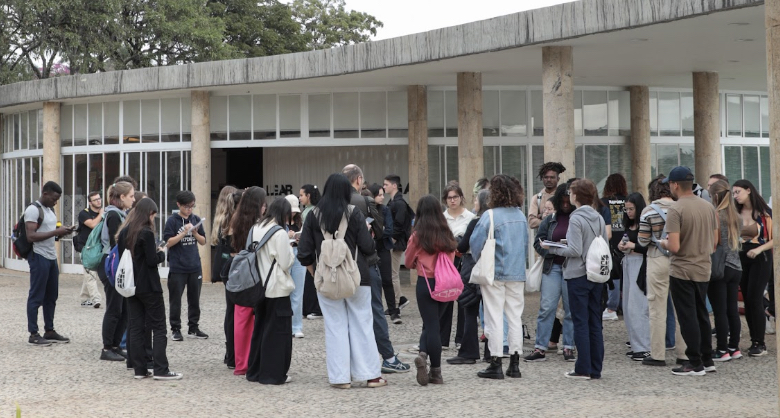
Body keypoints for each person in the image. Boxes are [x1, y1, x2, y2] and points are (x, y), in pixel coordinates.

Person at [297, 173, 386, 389]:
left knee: (335, 327)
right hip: (357, 278)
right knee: (362, 324)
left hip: (327, 280)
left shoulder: (312, 216)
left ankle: (340, 378)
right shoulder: (354, 214)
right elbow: (368, 247)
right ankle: (371, 375)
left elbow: (304, 252)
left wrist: (315, 272)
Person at [342, 165, 410, 374]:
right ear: (359, 179)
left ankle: (351, 362)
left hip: (340, 267)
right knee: (375, 311)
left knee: (347, 317)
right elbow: (378, 235)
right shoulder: (364, 202)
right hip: (366, 264)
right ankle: (388, 357)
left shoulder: (332, 205)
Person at [542, 178, 607, 380]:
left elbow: (575, 249)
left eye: (571, 192)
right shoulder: (598, 217)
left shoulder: (576, 218)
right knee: (594, 322)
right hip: (596, 274)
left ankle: (582, 368)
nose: (569, 195)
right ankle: (595, 368)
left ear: (576, 196)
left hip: (578, 274)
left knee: (580, 321)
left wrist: (551, 247)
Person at [659, 166, 718, 376]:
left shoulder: (676, 209)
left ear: (675, 185)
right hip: (703, 267)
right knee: (702, 313)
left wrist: (663, 243)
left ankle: (694, 362)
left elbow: (674, 246)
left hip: (682, 269)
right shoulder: (708, 206)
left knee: (687, 316)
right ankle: (707, 358)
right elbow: (715, 241)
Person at [116, 198, 182, 380]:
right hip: (149, 286)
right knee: (159, 327)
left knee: (136, 327)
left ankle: (140, 369)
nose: (153, 218)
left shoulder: (125, 232)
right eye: (153, 214)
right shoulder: (146, 232)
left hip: (131, 285)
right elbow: (152, 261)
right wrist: (161, 252)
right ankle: (161, 369)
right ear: (148, 214)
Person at [471, 174, 528, 380]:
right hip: (517, 272)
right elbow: (524, 245)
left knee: (493, 316)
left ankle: (495, 362)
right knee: (514, 317)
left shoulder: (491, 215)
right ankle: (515, 363)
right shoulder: (521, 216)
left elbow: (475, 243)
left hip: (495, 272)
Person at [406, 194, 458, 385]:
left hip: (424, 283)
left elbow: (408, 260)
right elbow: (452, 258)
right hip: (445, 284)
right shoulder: (447, 233)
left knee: (430, 324)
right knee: (434, 325)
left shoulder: (417, 236)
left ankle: (423, 354)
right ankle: (436, 372)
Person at [637, 175, 687, 367]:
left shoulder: (648, 210)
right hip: (679, 259)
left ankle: (658, 354)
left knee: (656, 308)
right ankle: (684, 353)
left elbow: (642, 241)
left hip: (657, 259)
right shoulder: (681, 207)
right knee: (681, 307)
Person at [245, 198, 295, 385]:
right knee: (277, 334)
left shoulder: (255, 228)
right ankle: (273, 374)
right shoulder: (279, 232)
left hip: (258, 286)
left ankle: (255, 371)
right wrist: (290, 247)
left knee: (260, 330)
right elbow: (286, 262)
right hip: (276, 287)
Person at [526, 183, 576, 363]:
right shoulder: (550, 220)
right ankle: (540, 347)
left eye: (567, 201)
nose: (564, 204)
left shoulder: (577, 218)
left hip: (572, 267)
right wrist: (550, 250)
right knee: (547, 307)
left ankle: (569, 347)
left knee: (571, 309)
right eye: (561, 201)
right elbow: (537, 242)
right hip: (553, 266)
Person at [24, 181, 74, 346]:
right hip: (39, 257)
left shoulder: (49, 210)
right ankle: (33, 334)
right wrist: (55, 232)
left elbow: (49, 233)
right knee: (36, 296)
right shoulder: (33, 210)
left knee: (51, 296)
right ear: (45, 194)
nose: (56, 202)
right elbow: (31, 236)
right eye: (54, 198)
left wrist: (63, 232)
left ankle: (50, 330)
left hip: (51, 258)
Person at [447, 189, 490, 365]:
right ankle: (491, 351)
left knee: (469, 310)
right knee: (491, 312)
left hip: (473, 269)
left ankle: (469, 352)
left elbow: (464, 246)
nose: (474, 203)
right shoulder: (497, 220)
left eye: (476, 201)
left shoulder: (476, 222)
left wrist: (458, 241)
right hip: (492, 271)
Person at [228, 187, 267, 376]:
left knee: (240, 319)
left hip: (240, 274)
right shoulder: (260, 225)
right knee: (257, 318)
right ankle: (254, 359)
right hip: (258, 274)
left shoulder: (237, 221)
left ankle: (240, 362)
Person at [732, 179, 774, 357]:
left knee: (755, 297)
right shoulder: (736, 212)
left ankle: (760, 342)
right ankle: (754, 340)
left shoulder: (764, 213)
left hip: (760, 257)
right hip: (741, 257)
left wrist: (758, 249)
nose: (736, 196)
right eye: (733, 193)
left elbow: (774, 238)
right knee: (748, 300)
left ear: (749, 190)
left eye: (738, 192)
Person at [98, 181, 135, 360]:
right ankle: (107, 348)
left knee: (123, 309)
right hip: (112, 265)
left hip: (118, 264)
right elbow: (115, 245)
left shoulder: (120, 214)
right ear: (121, 197)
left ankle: (116, 344)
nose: (133, 199)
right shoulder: (113, 215)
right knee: (114, 308)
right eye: (131, 196)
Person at [164, 190, 208, 341]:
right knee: (175, 299)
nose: (189, 209)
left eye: (192, 206)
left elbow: (203, 241)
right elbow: (168, 242)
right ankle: (175, 328)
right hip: (178, 267)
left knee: (194, 298)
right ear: (179, 205)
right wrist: (183, 233)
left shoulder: (195, 219)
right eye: (186, 207)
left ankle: (193, 327)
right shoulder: (172, 221)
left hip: (194, 265)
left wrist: (195, 232)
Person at [707, 180, 743, 361]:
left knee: (719, 310)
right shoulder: (737, 216)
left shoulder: (715, 215)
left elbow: (715, 243)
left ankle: (722, 349)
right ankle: (734, 347)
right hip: (736, 266)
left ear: (714, 196)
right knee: (732, 310)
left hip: (720, 266)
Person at [617, 192, 651, 361]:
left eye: (631, 209)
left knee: (638, 306)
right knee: (628, 306)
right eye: (626, 209)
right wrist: (623, 246)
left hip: (640, 263)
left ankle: (643, 346)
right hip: (628, 262)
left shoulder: (644, 225)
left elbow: (648, 247)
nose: (628, 212)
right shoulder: (628, 225)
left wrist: (632, 245)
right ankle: (636, 343)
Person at [442, 181, 476, 350]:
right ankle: (443, 339)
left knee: (463, 299)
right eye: (449, 198)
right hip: (447, 261)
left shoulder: (470, 217)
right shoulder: (442, 217)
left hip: (464, 260)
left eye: (455, 197)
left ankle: (461, 338)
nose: (453, 200)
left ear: (461, 198)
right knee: (446, 298)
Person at [211, 185, 239, 369]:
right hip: (233, 268)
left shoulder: (220, 218)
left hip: (225, 269)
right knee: (234, 311)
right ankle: (232, 353)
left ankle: (230, 352)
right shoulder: (232, 221)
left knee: (230, 310)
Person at [367, 183, 398, 324]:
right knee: (374, 281)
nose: (381, 197)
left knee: (387, 279)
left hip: (384, 248)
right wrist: (380, 231)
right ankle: (376, 311)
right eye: (378, 194)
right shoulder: (367, 210)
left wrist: (377, 232)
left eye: (382, 194)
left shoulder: (385, 209)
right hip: (370, 249)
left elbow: (389, 230)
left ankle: (393, 311)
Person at [601, 173, 628, 321]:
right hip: (625, 242)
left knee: (613, 276)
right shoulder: (628, 201)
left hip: (610, 244)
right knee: (626, 276)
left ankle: (611, 306)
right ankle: (624, 305)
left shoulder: (603, 202)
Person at [384, 174, 412, 313]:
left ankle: (396, 304)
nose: (384, 187)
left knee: (393, 274)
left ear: (394, 185)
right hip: (394, 241)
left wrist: (393, 238)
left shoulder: (399, 203)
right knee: (392, 273)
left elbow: (399, 223)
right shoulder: (394, 201)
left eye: (386, 184)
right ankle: (400, 299)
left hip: (396, 243)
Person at [75, 191, 103, 309]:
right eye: (95, 200)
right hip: (85, 248)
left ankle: (84, 298)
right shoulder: (84, 214)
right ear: (90, 202)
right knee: (90, 273)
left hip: (97, 247)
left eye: (99, 198)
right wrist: (101, 214)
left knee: (90, 273)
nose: (99, 201)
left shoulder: (103, 213)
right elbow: (92, 224)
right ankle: (96, 299)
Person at [299, 184, 323, 319]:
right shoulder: (310, 210)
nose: (300, 198)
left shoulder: (311, 211)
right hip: (312, 248)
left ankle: (314, 308)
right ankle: (310, 308)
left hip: (312, 249)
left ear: (308, 196)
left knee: (312, 279)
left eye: (302, 195)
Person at [285, 194, 307, 339]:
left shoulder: (300, 222)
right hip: (285, 253)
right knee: (285, 290)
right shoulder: (278, 222)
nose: (292, 213)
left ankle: (296, 326)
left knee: (298, 292)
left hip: (298, 254)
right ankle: (286, 325)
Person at [528, 162, 566, 230]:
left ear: (558, 179)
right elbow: (531, 222)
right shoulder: (537, 198)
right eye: (546, 177)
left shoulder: (563, 197)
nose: (549, 180)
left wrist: (541, 218)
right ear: (542, 178)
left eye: (552, 177)